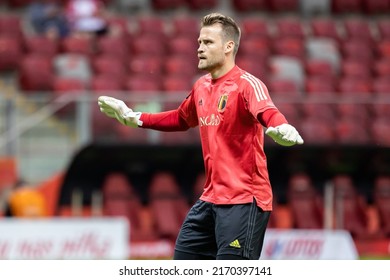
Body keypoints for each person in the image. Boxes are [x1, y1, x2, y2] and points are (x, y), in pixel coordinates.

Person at [98, 13, 304, 260]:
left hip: (244, 200)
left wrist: (281, 126)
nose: (199, 48)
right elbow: (180, 118)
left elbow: (267, 111)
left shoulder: (247, 84)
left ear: (228, 47)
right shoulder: (201, 86)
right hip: (210, 198)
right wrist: (134, 117)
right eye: (199, 42)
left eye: (208, 43)